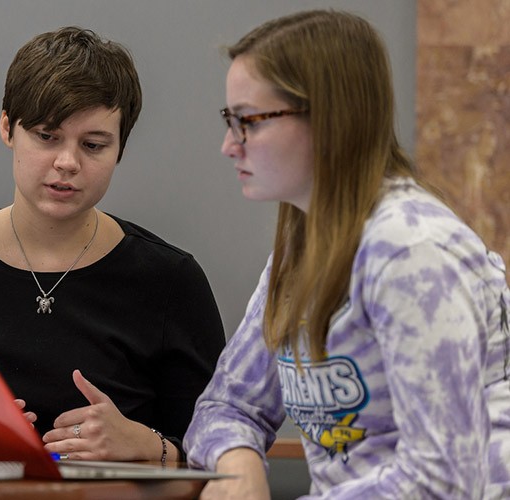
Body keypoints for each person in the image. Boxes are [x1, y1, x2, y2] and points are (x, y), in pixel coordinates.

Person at [0, 26, 225, 463]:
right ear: (8, 128)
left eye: (93, 145)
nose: (67, 163)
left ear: (120, 148)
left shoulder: (169, 279)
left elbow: (220, 453)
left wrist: (149, 447)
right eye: (47, 137)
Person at [184, 9, 510, 499]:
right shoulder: (303, 248)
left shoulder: (411, 252)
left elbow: (443, 478)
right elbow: (227, 407)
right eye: (230, 121)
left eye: (248, 120)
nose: (229, 145)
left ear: (331, 118)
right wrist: (237, 463)